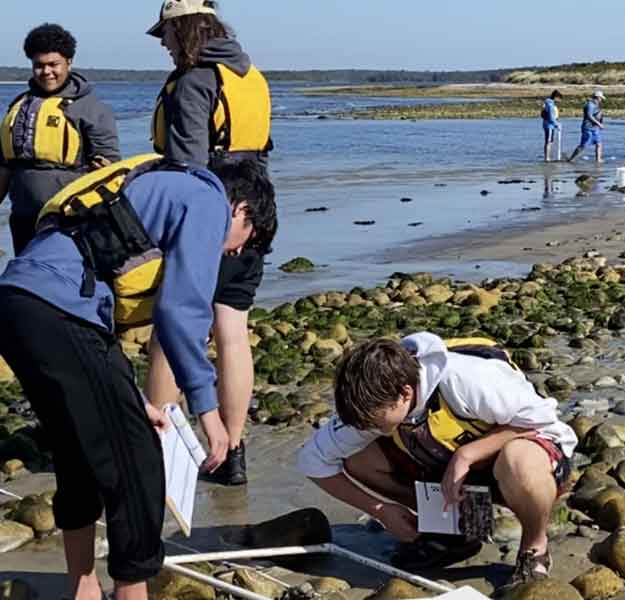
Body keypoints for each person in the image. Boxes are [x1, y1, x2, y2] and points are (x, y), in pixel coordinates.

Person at [0, 156, 277, 600]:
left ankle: (83, 587)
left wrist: (132, 397)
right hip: (57, 309)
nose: (239, 252)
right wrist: (208, 411)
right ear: (241, 209)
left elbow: (98, 322)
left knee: (77, 454)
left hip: (18, 303)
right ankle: (132, 593)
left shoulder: (160, 184)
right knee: (139, 465)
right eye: (251, 238)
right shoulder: (209, 200)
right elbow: (180, 311)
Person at [297, 333, 577, 586]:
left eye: (373, 421)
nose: (367, 427)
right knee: (357, 458)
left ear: (405, 393)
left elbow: (540, 419)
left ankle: (535, 547)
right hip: (453, 473)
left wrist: (468, 455)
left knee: (518, 462)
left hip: (526, 457)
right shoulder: (368, 402)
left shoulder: (466, 379)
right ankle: (456, 533)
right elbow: (313, 461)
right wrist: (382, 510)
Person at [144, 0, 274, 486]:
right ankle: (233, 453)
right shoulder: (251, 76)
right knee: (232, 328)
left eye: (166, 34)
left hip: (209, 208)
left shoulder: (197, 81)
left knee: (172, 325)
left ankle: (159, 453)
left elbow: (187, 162)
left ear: (185, 30)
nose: (162, 44)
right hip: (256, 206)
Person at [0, 23, 120, 255]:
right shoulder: (18, 106)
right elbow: (4, 164)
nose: (46, 72)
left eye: (53, 64)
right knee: (27, 281)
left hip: (71, 220)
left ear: (69, 62)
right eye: (39, 66)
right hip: (23, 218)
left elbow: (110, 169)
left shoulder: (92, 109)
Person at [567, 90, 604, 163]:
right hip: (588, 128)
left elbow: (598, 115)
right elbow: (589, 116)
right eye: (601, 98)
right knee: (583, 146)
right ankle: (571, 159)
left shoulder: (597, 105)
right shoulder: (590, 105)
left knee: (599, 144)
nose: (601, 100)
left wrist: (600, 122)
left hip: (595, 128)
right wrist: (599, 124)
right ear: (597, 97)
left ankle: (598, 160)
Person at [541, 90, 562, 162]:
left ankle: (548, 156)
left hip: (550, 125)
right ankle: (547, 158)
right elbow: (550, 117)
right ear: (556, 97)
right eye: (559, 99)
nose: (560, 101)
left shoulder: (551, 104)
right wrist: (557, 124)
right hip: (549, 125)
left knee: (550, 141)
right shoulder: (550, 104)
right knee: (548, 141)